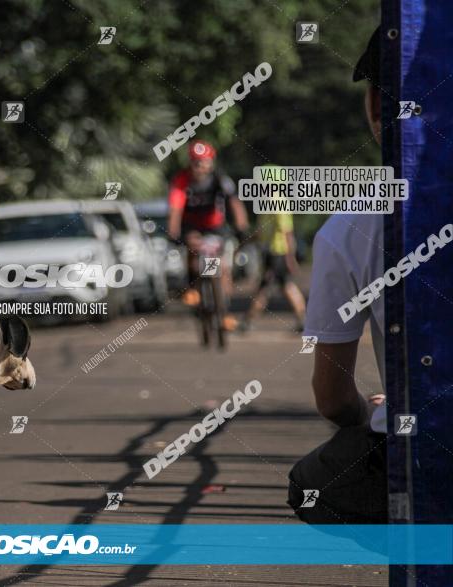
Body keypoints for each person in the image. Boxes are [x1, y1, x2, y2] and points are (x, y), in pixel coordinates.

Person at [287, 27, 388, 524]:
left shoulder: (354, 226)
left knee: (309, 485)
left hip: (419, 446)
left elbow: (332, 398)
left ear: (375, 108)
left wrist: (384, 409)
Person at [167, 140, 249, 330]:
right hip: (192, 226)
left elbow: (235, 204)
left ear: (211, 162)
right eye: (195, 162)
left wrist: (241, 226)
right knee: (192, 253)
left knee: (222, 268)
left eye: (203, 162)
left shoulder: (221, 180)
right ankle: (192, 289)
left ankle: (224, 309)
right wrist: (173, 233)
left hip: (215, 226)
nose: (199, 166)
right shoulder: (181, 180)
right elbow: (175, 209)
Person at [240, 167, 307, 332]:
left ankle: (249, 321)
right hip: (271, 253)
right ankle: (303, 320)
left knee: (271, 287)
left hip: (279, 253)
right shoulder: (267, 201)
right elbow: (262, 232)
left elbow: (286, 232)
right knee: (279, 287)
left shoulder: (278, 201)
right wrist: (245, 243)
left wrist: (290, 258)